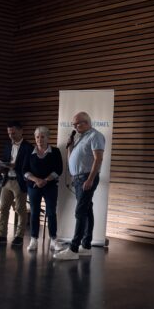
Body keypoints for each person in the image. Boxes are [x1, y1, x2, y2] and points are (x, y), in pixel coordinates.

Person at [54, 112, 105, 261]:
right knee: (87, 210)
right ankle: (86, 246)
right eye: (73, 125)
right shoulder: (80, 137)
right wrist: (70, 146)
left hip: (86, 178)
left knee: (80, 211)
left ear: (86, 122)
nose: (75, 127)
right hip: (78, 178)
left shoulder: (95, 136)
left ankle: (73, 249)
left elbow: (98, 159)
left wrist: (90, 179)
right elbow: (72, 159)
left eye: (77, 124)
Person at [0, 121, 32, 246]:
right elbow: (5, 160)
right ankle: (2, 235)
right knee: (3, 208)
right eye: (9, 133)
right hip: (7, 180)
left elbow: (29, 166)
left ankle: (19, 236)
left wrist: (15, 166)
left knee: (20, 209)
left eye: (13, 133)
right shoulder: (7, 145)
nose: (11, 135)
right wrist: (0, 165)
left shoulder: (28, 147)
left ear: (21, 131)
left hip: (19, 181)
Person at [23, 126, 63, 252]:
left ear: (48, 138)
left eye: (42, 137)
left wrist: (45, 180)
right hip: (34, 186)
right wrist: (36, 180)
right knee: (34, 212)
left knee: (51, 212)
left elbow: (59, 170)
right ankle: (34, 239)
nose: (39, 139)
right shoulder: (29, 151)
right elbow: (24, 170)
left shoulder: (55, 151)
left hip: (50, 186)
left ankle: (53, 239)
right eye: (37, 137)